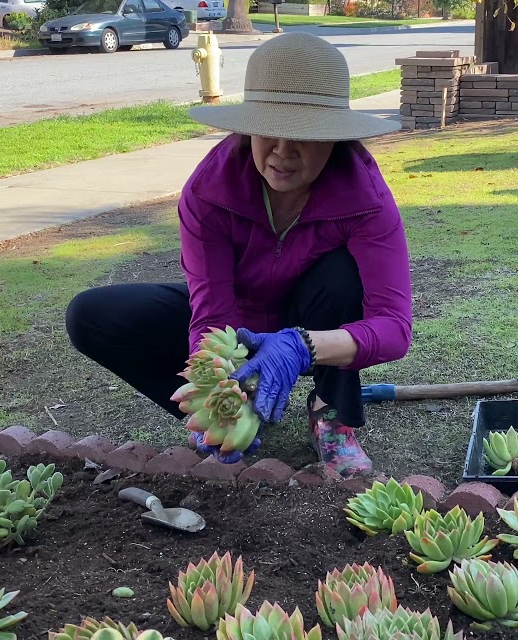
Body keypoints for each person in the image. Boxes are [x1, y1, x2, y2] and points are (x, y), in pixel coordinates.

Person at [65, 32, 412, 478]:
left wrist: (300, 345)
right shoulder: (209, 191)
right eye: (268, 130)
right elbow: (210, 313)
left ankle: (331, 416)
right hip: (237, 321)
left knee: (344, 274)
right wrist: (210, 391)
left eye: (304, 136)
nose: (282, 152)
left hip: (311, 317)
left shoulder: (366, 199)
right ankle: (226, 414)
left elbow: (394, 327)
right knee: (91, 315)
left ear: (336, 138)